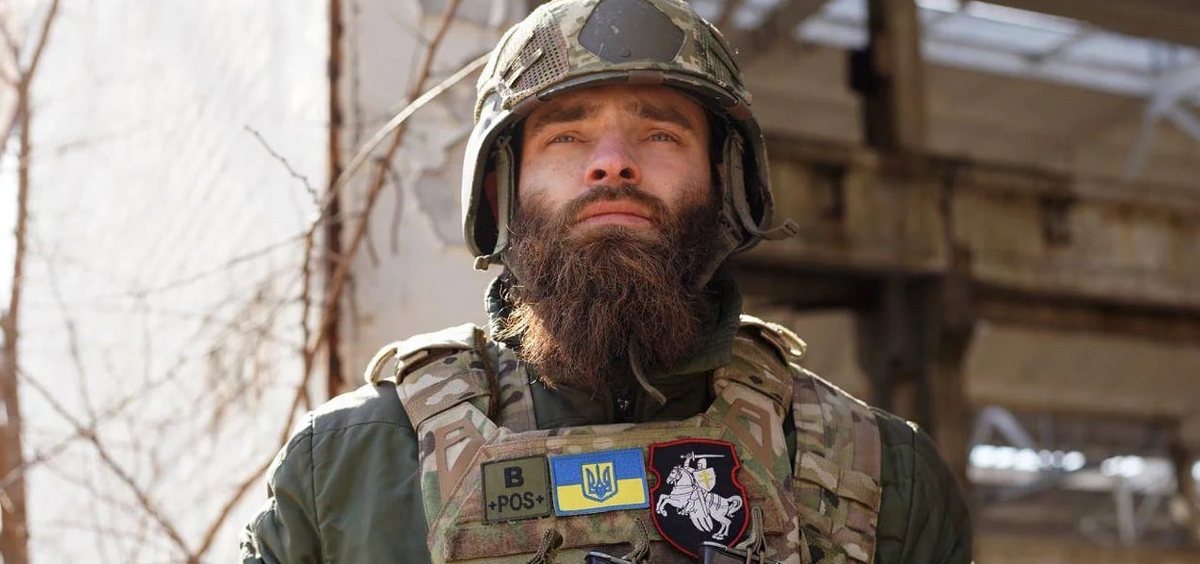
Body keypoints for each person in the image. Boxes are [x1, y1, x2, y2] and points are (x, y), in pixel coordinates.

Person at [240, 0, 972, 562]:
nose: (613, 162)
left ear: (725, 185)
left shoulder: (883, 477)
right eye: (567, 134)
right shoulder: (348, 468)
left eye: (661, 133)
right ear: (499, 190)